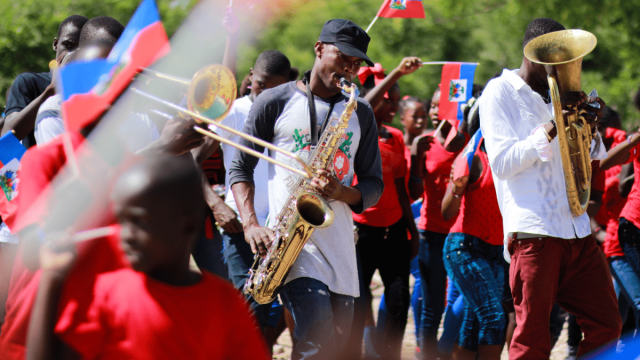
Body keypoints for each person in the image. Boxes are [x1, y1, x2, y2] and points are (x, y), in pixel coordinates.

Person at [0, 38, 205, 359]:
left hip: (101, 327)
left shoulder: (122, 158)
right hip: (37, 324)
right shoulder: (36, 161)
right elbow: (33, 252)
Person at [229, 19, 384, 359]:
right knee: (317, 344)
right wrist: (251, 223)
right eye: (344, 57)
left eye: (357, 63)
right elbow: (240, 167)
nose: (350, 68)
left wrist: (341, 193)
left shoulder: (362, 112)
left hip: (340, 247)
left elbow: (374, 185)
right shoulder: (274, 100)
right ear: (319, 48)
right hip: (292, 246)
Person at [25, 156, 270, 360]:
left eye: (139, 222)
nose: (124, 235)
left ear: (188, 224)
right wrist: (52, 278)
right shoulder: (105, 296)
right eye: (121, 221)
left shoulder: (224, 303)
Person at [479, 17, 622, 359]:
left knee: (608, 324)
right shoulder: (500, 91)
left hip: (575, 230)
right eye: (555, 61)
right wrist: (550, 128)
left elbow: (588, 159)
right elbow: (501, 162)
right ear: (532, 55)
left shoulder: (556, 95)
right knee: (531, 339)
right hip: (534, 233)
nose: (563, 69)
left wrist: (589, 128)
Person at [348, 57, 421, 360]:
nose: (392, 105)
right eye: (387, 98)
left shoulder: (397, 137)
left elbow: (403, 190)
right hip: (360, 233)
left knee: (397, 304)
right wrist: (394, 74)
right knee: (356, 304)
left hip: (395, 232)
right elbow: (362, 104)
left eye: (395, 98)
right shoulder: (353, 132)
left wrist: (412, 231)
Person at [214, 50, 292, 331]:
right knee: (250, 309)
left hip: (280, 228)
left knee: (275, 312)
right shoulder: (234, 111)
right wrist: (217, 204)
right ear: (250, 77)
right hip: (241, 227)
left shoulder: (289, 113)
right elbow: (191, 156)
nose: (265, 94)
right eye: (260, 85)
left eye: (275, 89)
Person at [409, 84, 470, 357]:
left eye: (441, 106)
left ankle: (445, 350)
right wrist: (413, 155)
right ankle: (427, 353)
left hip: (463, 235)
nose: (435, 112)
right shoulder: (424, 143)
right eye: (433, 106)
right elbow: (412, 191)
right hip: (431, 233)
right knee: (431, 305)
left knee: (466, 297)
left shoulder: (470, 142)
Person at [441, 127, 505, 360]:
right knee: (493, 318)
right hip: (465, 249)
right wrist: (455, 188)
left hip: (497, 251)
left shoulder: (515, 159)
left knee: (472, 325)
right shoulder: (474, 159)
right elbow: (447, 212)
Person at [1, 15, 89, 144]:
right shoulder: (29, 82)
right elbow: (7, 136)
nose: (72, 54)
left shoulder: (92, 87)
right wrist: (50, 91)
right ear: (55, 44)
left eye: (80, 49)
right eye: (68, 45)